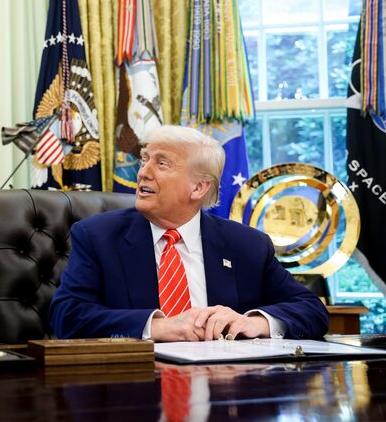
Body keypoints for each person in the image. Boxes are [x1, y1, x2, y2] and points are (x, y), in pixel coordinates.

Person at [49, 125, 329, 342]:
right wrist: (158, 327)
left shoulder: (247, 245)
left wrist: (255, 322)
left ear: (198, 188)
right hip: (136, 390)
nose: (142, 172)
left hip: (227, 394)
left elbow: (311, 310)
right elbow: (67, 317)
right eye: (144, 159)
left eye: (161, 163)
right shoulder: (98, 237)